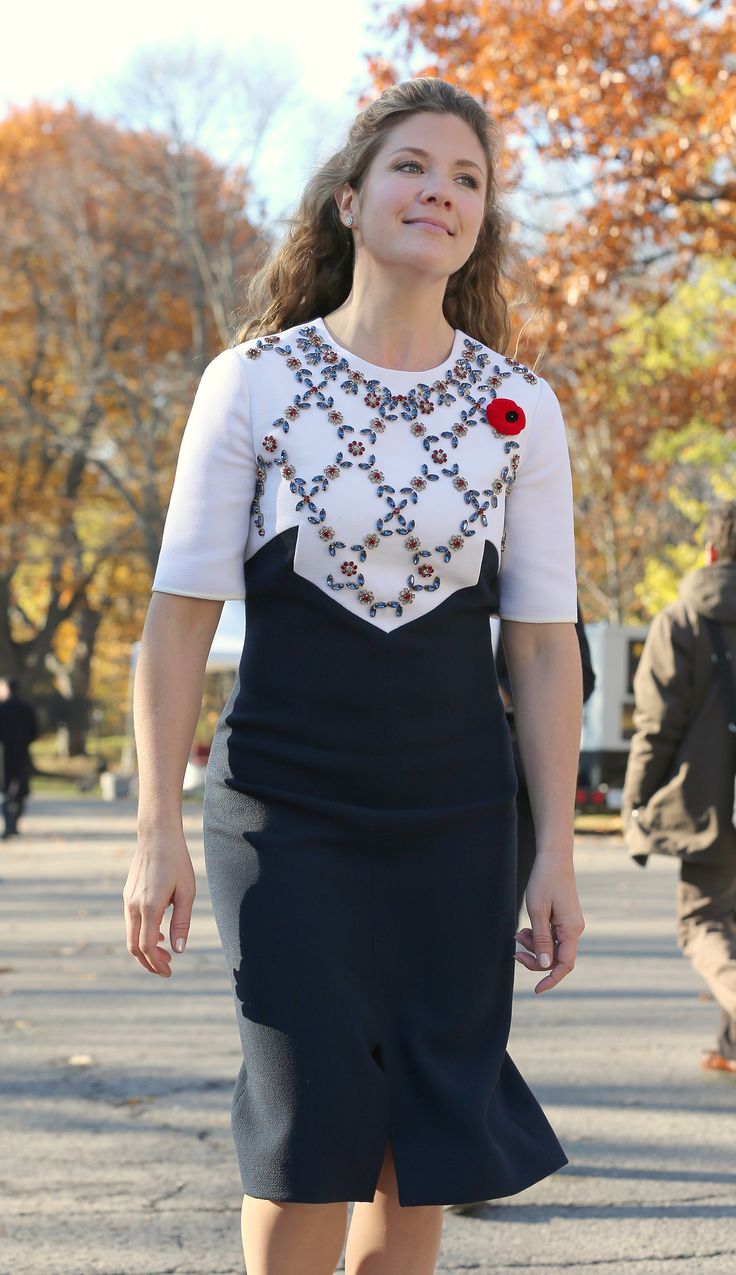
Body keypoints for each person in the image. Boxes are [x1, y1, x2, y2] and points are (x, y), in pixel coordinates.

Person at [125, 78, 585, 1275]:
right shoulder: (254, 382)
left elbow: (541, 646)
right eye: (412, 166)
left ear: (479, 220)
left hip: (456, 824)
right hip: (286, 814)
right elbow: (177, 623)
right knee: (308, 1133)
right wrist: (155, 831)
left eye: (467, 178)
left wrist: (555, 853)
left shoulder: (519, 410)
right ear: (349, 199)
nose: (440, 188)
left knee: (415, 1143)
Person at [622, 502, 736, 1076]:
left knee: (704, 925)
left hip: (709, 806)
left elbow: (657, 725)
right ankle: (731, 1047)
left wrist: (636, 805)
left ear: (711, 551)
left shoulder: (682, 623)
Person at [496, 601, 596, 920]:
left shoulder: (534, 570)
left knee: (490, 924)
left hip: (510, 778)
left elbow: (578, 675)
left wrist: (503, 693)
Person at [0, 677, 39, 840]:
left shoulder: (2, 708)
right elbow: (35, 731)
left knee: (4, 790)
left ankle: (9, 824)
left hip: (4, 753)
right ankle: (14, 822)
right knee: (21, 788)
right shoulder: (27, 708)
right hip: (23, 751)